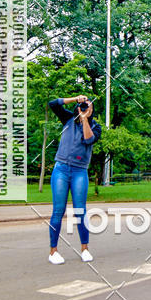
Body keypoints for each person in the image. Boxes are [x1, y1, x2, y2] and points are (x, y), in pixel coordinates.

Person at [47, 95, 102, 265]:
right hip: (61, 169)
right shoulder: (68, 119)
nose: (86, 107)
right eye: (84, 105)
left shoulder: (95, 126)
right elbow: (53, 104)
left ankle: (85, 249)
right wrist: (75, 99)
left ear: (92, 110)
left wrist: (85, 119)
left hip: (80, 171)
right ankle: (53, 252)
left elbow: (88, 139)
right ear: (78, 106)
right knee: (58, 210)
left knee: (80, 211)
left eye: (89, 106)